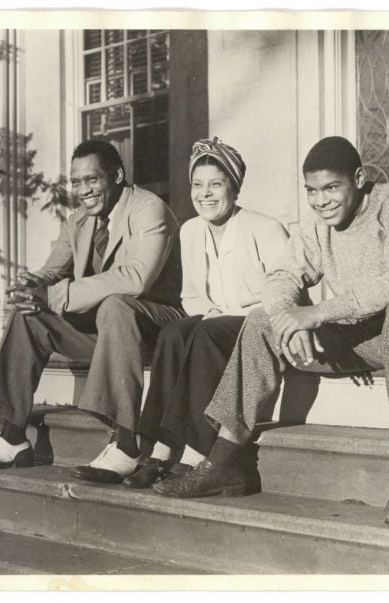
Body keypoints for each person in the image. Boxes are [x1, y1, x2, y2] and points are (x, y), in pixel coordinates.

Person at [155, 136, 389, 527]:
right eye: (312, 191)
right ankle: (225, 457)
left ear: (358, 178)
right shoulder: (316, 222)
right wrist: (289, 314)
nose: (322, 201)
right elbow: (282, 275)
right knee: (262, 320)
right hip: (367, 333)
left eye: (331, 188)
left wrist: (318, 312)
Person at [0, 139, 185, 483]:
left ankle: (126, 445)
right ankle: (12, 437)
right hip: (106, 329)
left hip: (157, 326)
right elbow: (52, 271)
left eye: (92, 180)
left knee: (117, 304)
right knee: (28, 314)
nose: (83, 190)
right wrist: (30, 287)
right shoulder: (78, 221)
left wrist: (53, 294)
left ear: (117, 176)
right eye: (76, 182)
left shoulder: (149, 209)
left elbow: (135, 278)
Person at [120, 137, 288, 489]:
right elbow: (191, 295)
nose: (205, 194)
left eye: (216, 184)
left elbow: (283, 295)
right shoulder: (191, 231)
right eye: (197, 185)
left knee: (204, 333)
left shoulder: (265, 228)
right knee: (173, 333)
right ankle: (160, 449)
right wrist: (207, 311)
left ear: (234, 187)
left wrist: (214, 318)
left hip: (258, 327)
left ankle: (196, 451)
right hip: (214, 322)